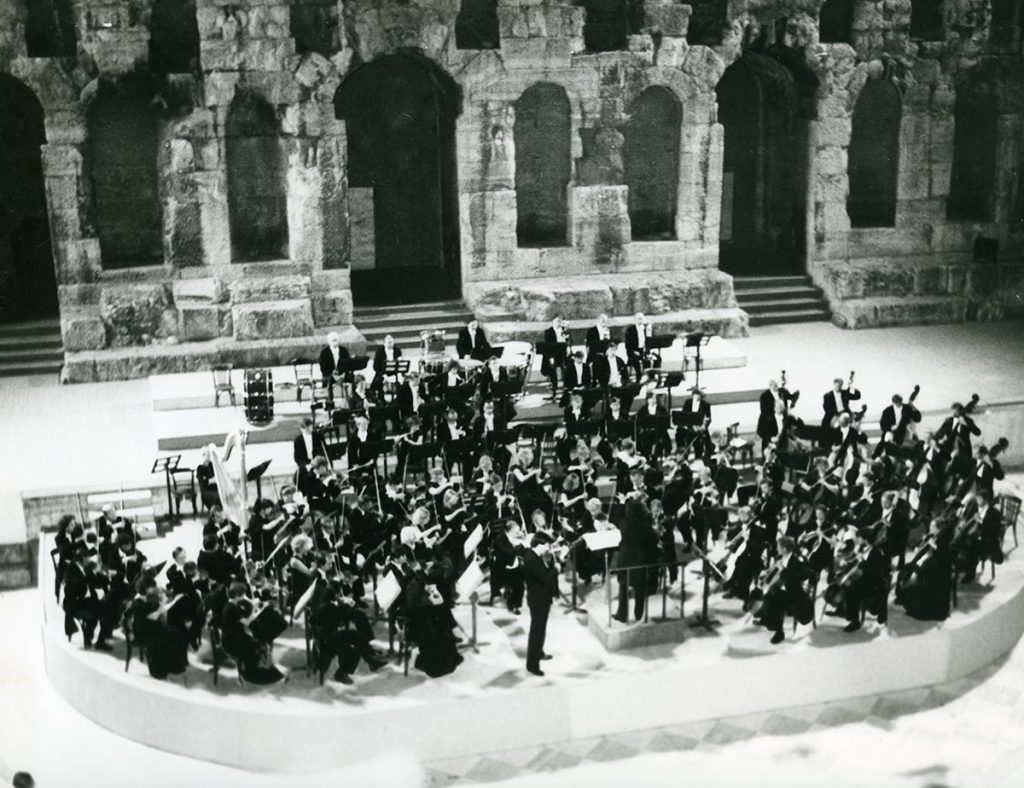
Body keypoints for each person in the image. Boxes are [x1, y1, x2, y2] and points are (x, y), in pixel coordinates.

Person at [613, 495, 656, 623]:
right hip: (641, 560)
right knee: (639, 588)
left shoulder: (624, 523)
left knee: (623, 587)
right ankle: (638, 614)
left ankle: (622, 615)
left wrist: (621, 502)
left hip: (625, 559)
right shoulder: (646, 525)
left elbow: (617, 515)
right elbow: (653, 541)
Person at [521, 532, 559, 676]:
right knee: (536, 631)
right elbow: (545, 578)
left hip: (543, 597)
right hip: (537, 600)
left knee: (541, 629)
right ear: (539, 545)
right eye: (546, 545)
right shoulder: (531, 559)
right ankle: (532, 665)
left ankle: (539, 652)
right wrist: (555, 569)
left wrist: (551, 562)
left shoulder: (537, 555)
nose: (548, 548)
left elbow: (544, 571)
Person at [540, 316, 571, 400]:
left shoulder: (565, 331)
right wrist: (551, 357)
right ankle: (554, 391)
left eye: (559, 321)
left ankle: (566, 390)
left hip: (563, 354)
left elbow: (569, 342)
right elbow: (548, 346)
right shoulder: (548, 332)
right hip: (553, 355)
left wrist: (567, 343)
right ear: (553, 322)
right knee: (552, 371)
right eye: (556, 321)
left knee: (567, 369)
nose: (558, 323)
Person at [318, 331, 351, 400]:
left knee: (354, 378)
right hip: (329, 375)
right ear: (329, 342)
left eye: (336, 340)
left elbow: (348, 364)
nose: (335, 342)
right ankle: (330, 401)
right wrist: (333, 374)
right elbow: (323, 368)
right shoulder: (324, 353)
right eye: (333, 341)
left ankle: (352, 399)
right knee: (329, 381)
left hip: (342, 374)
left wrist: (343, 374)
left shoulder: (344, 351)